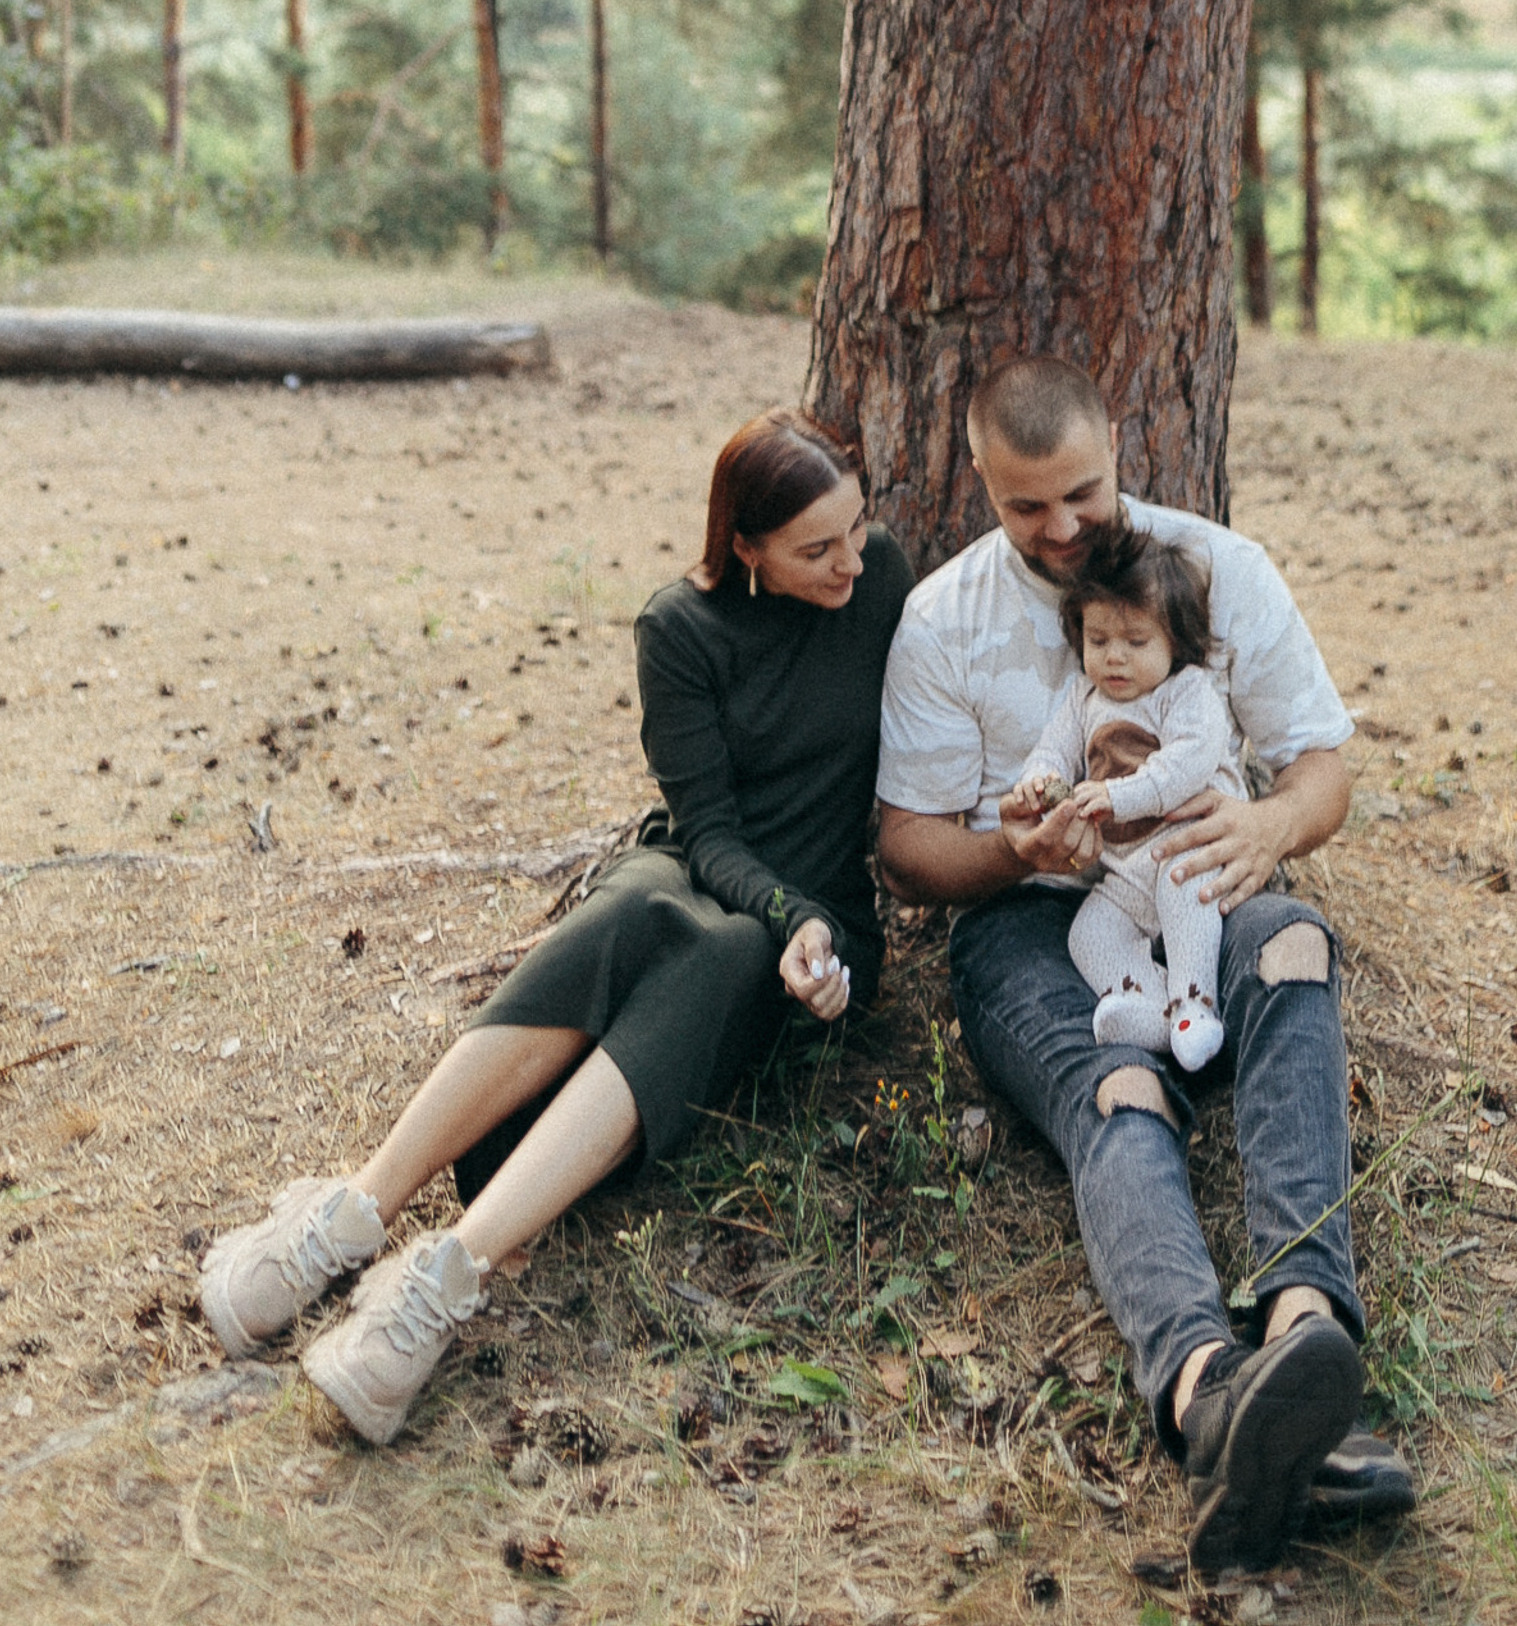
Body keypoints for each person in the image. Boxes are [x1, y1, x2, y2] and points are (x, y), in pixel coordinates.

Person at [199, 410, 908, 1444]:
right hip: (702, 864)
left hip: (814, 927)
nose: (849, 559)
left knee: (728, 946)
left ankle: (442, 1281)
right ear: (745, 546)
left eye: (856, 528)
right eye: (815, 548)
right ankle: (350, 1217)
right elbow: (706, 832)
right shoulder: (681, 629)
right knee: (637, 904)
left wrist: (803, 921)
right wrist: (774, 901)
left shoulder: (881, 578)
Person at [876, 353, 1416, 1578]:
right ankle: (1204, 1389)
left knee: (1291, 945)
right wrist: (1010, 854)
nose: (1062, 528)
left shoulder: (1219, 567)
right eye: (1027, 507)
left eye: (1082, 492)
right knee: (1115, 1089)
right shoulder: (941, 619)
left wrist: (1270, 829)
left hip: (1200, 873)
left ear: (1119, 447)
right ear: (980, 483)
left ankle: (1303, 1328)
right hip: (1036, 919)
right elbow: (905, 846)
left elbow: (1322, 766)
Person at [1000, 513, 1241, 1072]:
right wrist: (1039, 781)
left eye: (1136, 641)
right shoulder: (1084, 700)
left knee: (1187, 890)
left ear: (1175, 640)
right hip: (1127, 870)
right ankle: (1158, 1014)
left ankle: (1196, 1001)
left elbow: (1189, 761)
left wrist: (1121, 797)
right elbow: (1053, 751)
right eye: (1099, 639)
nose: (1114, 657)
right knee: (1089, 935)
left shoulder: (1187, 691)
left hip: (1194, 846)